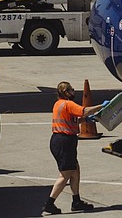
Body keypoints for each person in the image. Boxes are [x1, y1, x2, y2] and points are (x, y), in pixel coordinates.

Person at [43, 81, 106, 215]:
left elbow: (74, 120)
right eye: (71, 90)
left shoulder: (58, 104)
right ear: (66, 92)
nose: (74, 91)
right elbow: (85, 110)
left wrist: (87, 120)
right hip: (64, 142)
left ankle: (76, 201)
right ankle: (49, 203)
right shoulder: (68, 103)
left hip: (60, 141)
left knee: (75, 170)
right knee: (65, 174)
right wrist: (102, 106)